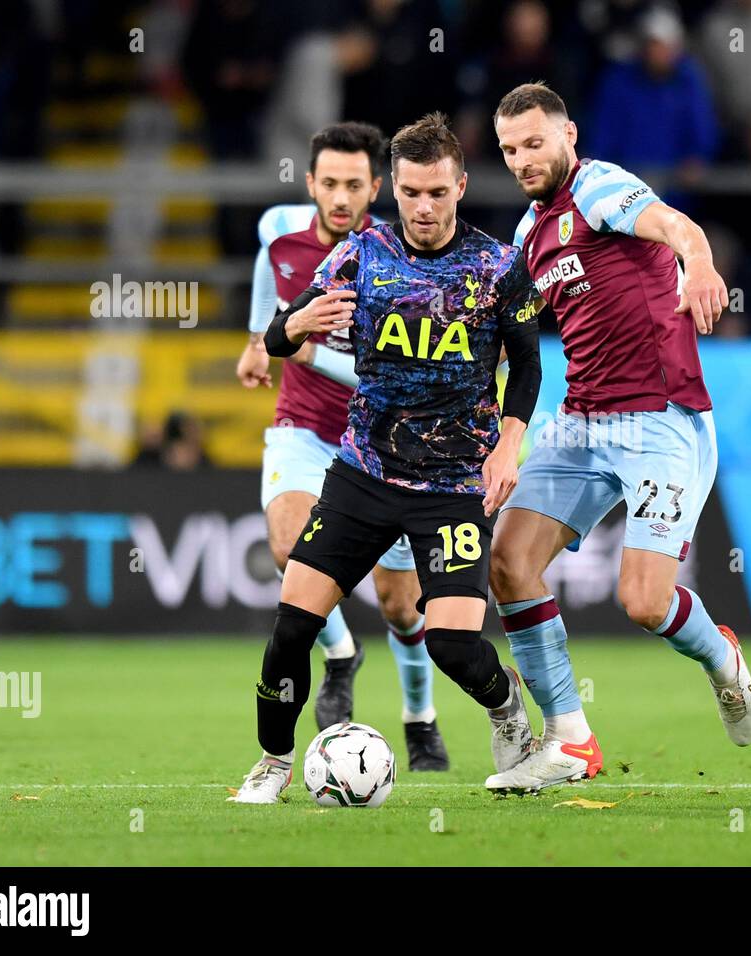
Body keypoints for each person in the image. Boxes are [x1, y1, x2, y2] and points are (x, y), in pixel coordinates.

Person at [230, 114, 543, 803]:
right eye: (410, 193)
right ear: (392, 190)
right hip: (363, 474)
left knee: (451, 646)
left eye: (437, 192)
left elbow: (526, 367)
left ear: (460, 185)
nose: (424, 208)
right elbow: (281, 338)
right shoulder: (358, 253)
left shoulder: (497, 268)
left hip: (455, 484)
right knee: (291, 628)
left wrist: (510, 444)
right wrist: (289, 326)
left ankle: (508, 713)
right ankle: (274, 763)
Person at [484, 82, 751, 794]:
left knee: (642, 601)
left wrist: (698, 265)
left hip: (659, 417)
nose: (522, 158)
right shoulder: (528, 235)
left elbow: (678, 228)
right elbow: (510, 334)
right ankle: (571, 741)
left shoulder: (601, 188)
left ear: (569, 135)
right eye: (510, 148)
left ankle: (722, 657)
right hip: (581, 420)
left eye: (534, 143)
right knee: (510, 563)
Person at [236, 122, 449, 771]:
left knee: (401, 604)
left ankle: (421, 720)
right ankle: (340, 654)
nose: (340, 196)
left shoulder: (396, 260)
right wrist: (257, 340)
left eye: (354, 184)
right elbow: (268, 282)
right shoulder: (279, 230)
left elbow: (397, 375)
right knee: (288, 546)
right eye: (328, 182)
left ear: (375, 188)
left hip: (376, 443)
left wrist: (307, 350)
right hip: (301, 430)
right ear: (309, 183)